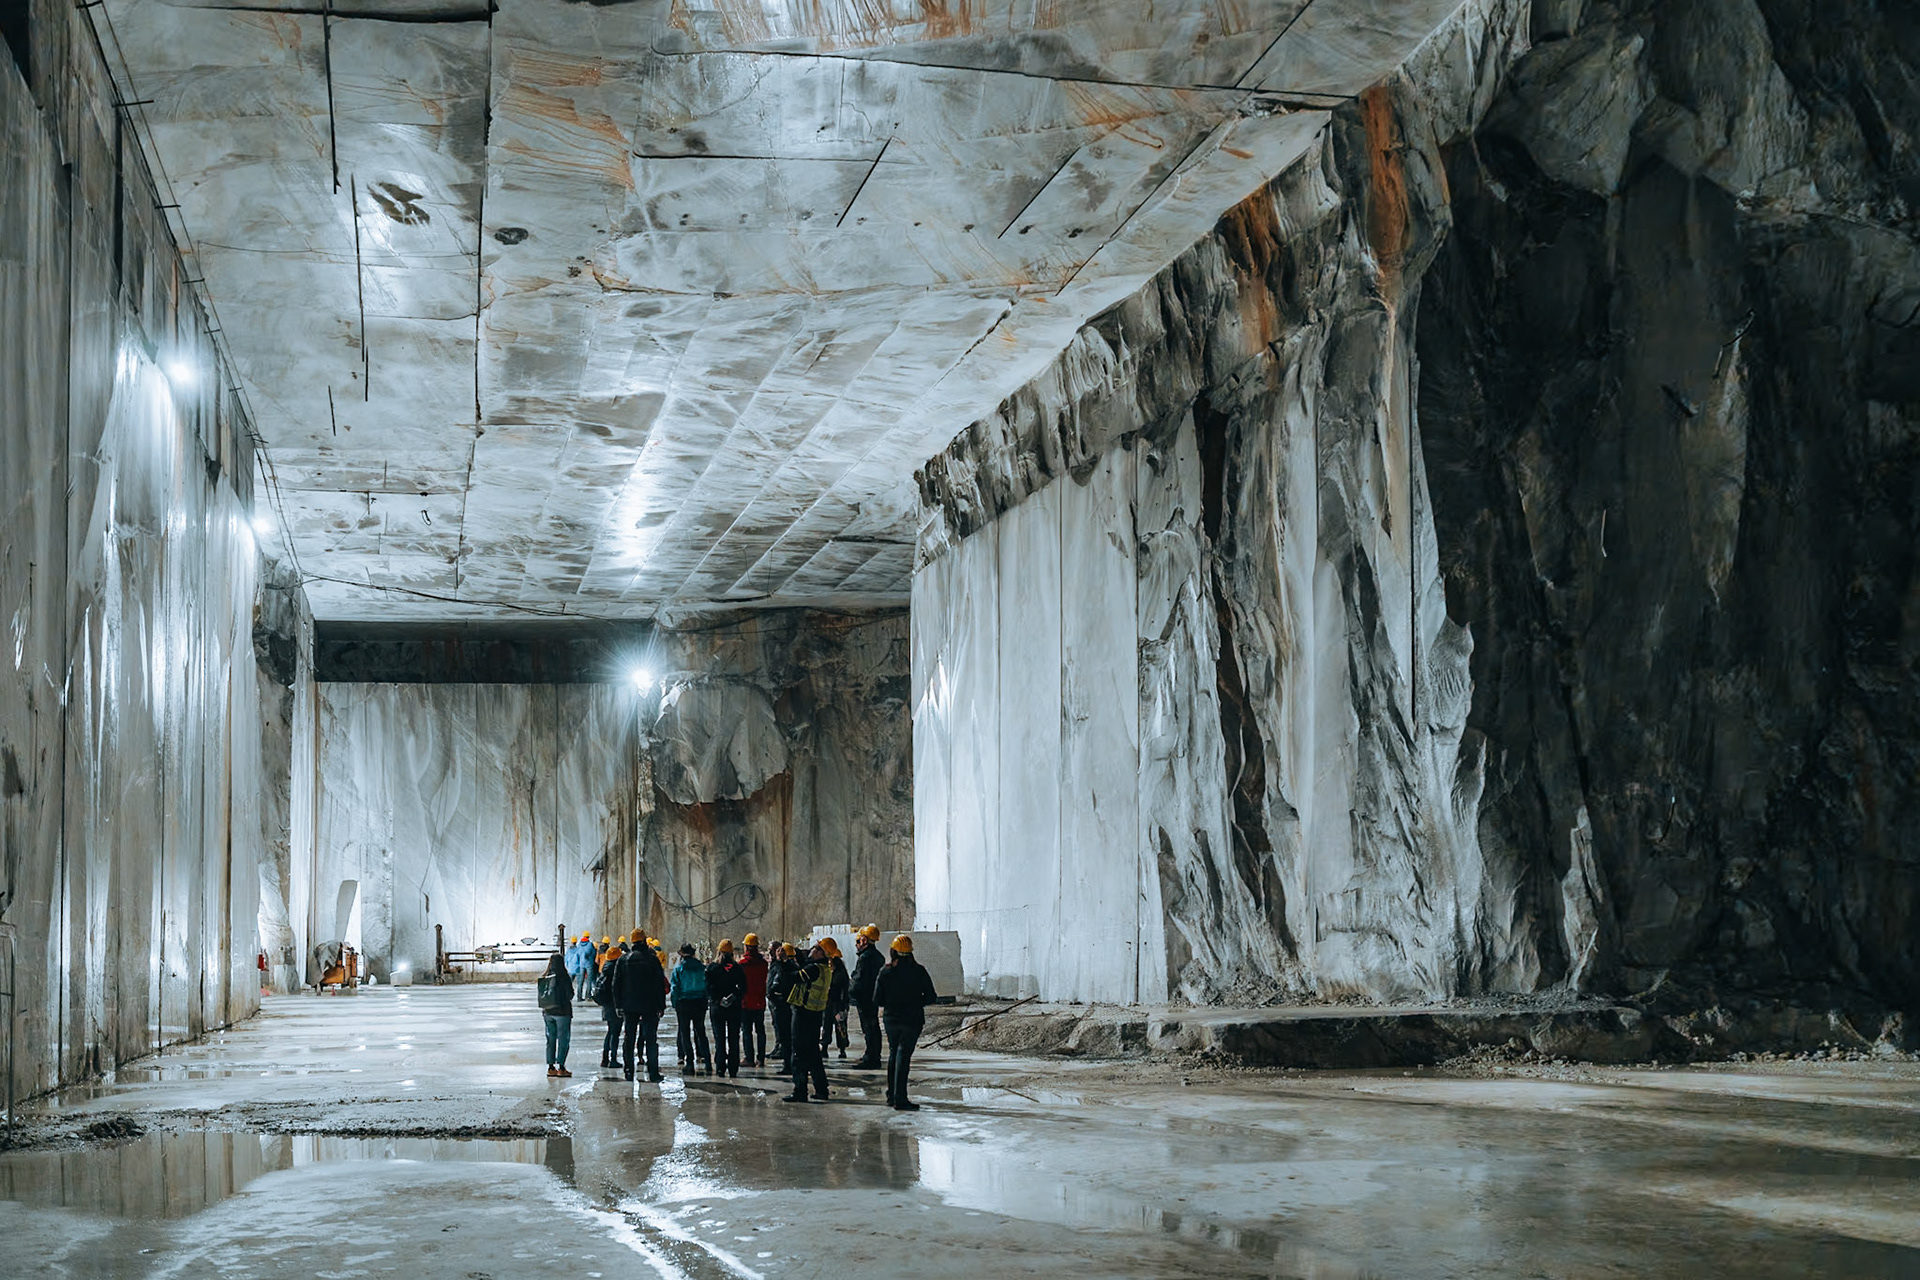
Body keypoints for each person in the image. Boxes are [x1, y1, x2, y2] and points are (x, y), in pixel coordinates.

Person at [873, 933, 938, 1110]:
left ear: (893, 951)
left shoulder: (885, 972)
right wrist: (916, 1001)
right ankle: (900, 1099)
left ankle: (891, 1095)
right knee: (903, 1056)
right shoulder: (919, 971)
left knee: (894, 1054)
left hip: (892, 1019)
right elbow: (931, 996)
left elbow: (877, 999)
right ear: (910, 952)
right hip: (912, 1019)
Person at [612, 928, 667, 1082]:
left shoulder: (624, 960)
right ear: (644, 941)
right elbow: (658, 984)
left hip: (629, 1006)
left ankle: (628, 1071)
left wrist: (618, 1005)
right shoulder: (652, 959)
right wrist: (660, 1006)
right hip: (649, 1005)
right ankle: (653, 1073)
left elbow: (616, 984)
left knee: (629, 1039)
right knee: (650, 1039)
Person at [783, 942, 833, 1103]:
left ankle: (800, 1090)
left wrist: (784, 962)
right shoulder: (825, 969)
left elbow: (793, 977)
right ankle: (821, 1089)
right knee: (813, 1054)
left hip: (803, 1014)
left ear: (822, 953)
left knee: (798, 1053)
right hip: (815, 1014)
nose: (812, 950)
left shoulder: (813, 969)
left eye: (817, 948)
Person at [670, 943, 711, 1072]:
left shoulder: (679, 969)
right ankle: (707, 1060)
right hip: (699, 1002)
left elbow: (675, 988)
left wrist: (674, 1003)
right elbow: (707, 985)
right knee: (700, 1031)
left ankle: (689, 1061)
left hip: (684, 1003)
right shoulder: (702, 968)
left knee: (685, 1032)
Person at [706, 939, 744, 1078]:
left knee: (719, 1038)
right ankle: (733, 1068)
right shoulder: (737, 968)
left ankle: (720, 1067)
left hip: (717, 1007)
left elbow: (708, 988)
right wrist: (733, 996)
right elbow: (743, 987)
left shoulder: (712, 968)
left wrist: (718, 1000)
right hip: (734, 1007)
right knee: (734, 1038)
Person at [850, 924, 884, 1069]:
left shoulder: (865, 958)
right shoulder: (877, 956)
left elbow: (859, 980)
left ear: (864, 941)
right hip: (873, 997)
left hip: (865, 998)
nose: (856, 945)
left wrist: (850, 992)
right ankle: (872, 1055)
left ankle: (871, 1059)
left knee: (869, 1028)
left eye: (857, 941)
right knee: (873, 1027)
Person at [538, 951, 575, 1078]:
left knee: (550, 1039)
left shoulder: (546, 977)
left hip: (548, 1012)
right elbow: (570, 995)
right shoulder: (564, 976)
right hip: (563, 1013)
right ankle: (562, 1067)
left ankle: (551, 1067)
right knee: (563, 1039)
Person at [817, 937, 851, 1059]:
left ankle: (841, 1049)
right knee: (826, 1026)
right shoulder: (828, 969)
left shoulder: (839, 973)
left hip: (837, 1003)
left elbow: (843, 989)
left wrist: (843, 1005)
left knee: (840, 1027)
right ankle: (825, 1047)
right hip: (828, 1002)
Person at [739, 934, 769, 1068]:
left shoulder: (743, 964)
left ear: (746, 947)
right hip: (759, 1001)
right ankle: (761, 1058)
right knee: (760, 1030)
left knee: (746, 1031)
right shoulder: (763, 963)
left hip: (746, 1002)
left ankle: (749, 1058)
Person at [767, 942, 797, 1067]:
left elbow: (782, 981)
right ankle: (783, 1054)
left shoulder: (788, 967)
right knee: (780, 1030)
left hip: (783, 1003)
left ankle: (788, 1063)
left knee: (786, 1034)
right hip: (777, 1002)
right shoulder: (776, 965)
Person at [595, 941, 624, 1069]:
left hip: (606, 1006)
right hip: (615, 1005)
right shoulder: (617, 970)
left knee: (610, 1032)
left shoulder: (605, 969)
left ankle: (605, 1058)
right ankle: (613, 1059)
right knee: (615, 1033)